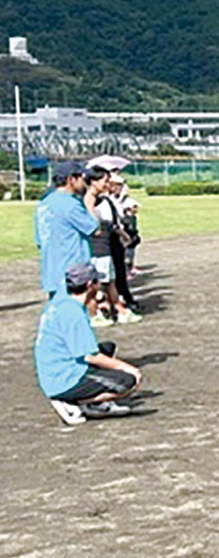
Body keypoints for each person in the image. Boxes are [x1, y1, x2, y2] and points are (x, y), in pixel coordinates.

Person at [34, 263, 143, 426]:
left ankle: (94, 403)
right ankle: (71, 401)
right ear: (90, 285)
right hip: (63, 379)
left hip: (53, 369)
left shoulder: (62, 299)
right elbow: (90, 356)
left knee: (108, 348)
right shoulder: (73, 313)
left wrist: (96, 299)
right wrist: (128, 368)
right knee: (129, 382)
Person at [34, 161, 100, 299]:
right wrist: (90, 201)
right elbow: (95, 229)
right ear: (71, 179)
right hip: (73, 270)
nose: (85, 182)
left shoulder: (43, 204)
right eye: (82, 178)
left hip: (51, 271)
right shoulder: (70, 204)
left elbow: (40, 240)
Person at [89, 169, 142, 327]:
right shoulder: (92, 199)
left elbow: (113, 221)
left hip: (108, 242)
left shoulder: (106, 199)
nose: (109, 185)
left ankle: (117, 308)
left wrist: (123, 233)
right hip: (100, 244)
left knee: (111, 278)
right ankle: (100, 310)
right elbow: (96, 224)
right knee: (99, 281)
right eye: (106, 181)